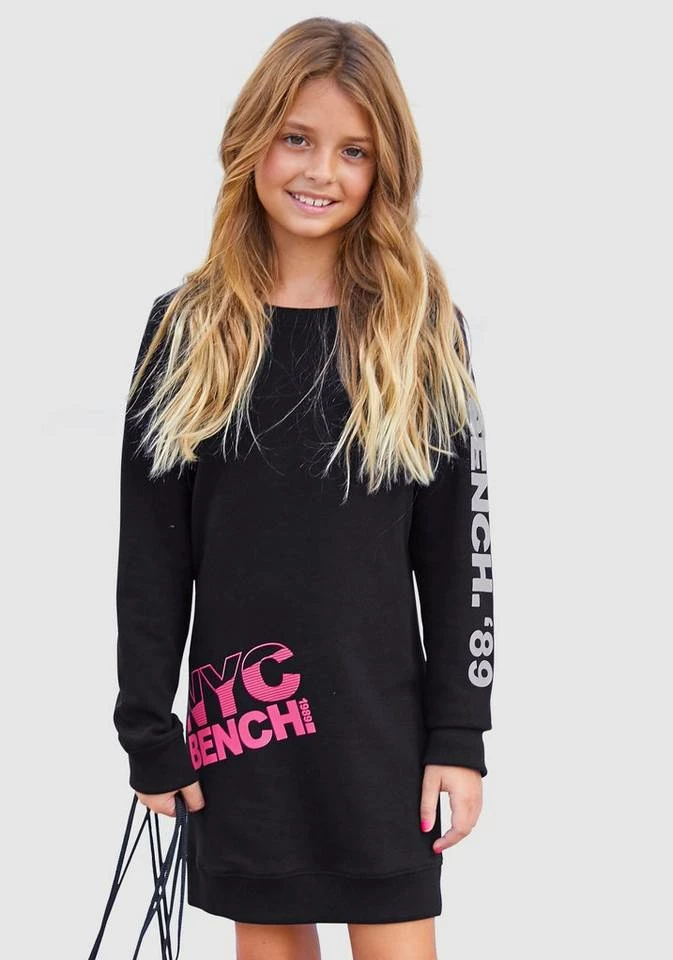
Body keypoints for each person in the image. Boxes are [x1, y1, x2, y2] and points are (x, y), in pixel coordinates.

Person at [112, 15, 495, 960]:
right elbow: (151, 556)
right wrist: (148, 731)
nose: (321, 171)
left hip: (381, 732)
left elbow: (460, 555)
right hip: (245, 719)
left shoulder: (420, 331)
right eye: (297, 138)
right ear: (253, 139)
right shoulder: (187, 329)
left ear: (384, 168)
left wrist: (459, 734)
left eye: (353, 150)